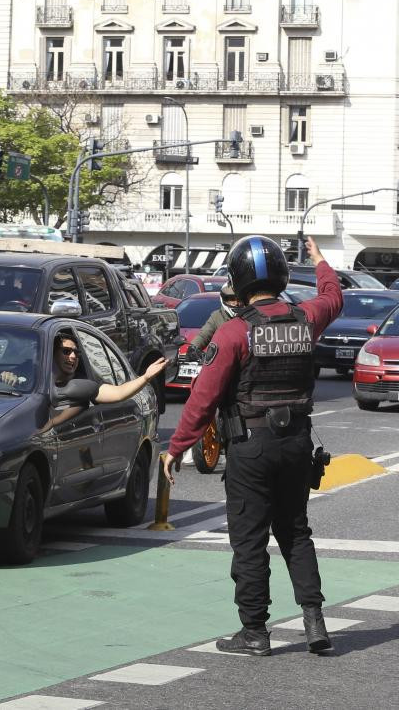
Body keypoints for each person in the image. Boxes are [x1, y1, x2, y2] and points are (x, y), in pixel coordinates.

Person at [161, 235, 343, 658]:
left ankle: (255, 632)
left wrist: (176, 447)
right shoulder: (307, 318)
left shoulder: (233, 333)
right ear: (280, 276)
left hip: (250, 446)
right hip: (297, 444)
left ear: (237, 281)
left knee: (249, 540)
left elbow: (202, 399)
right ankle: (314, 621)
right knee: (296, 532)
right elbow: (333, 296)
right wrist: (319, 261)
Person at [32, 331, 167, 431]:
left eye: (76, 353)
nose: (73, 356)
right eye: (66, 351)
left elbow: (118, 393)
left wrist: (145, 377)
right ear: (52, 354)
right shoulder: (30, 376)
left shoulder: (84, 385)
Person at [187, 283, 241, 358]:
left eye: (238, 299)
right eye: (231, 299)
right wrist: (193, 347)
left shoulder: (249, 315)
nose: (235, 303)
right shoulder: (217, 316)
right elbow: (204, 335)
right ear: (224, 299)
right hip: (224, 360)